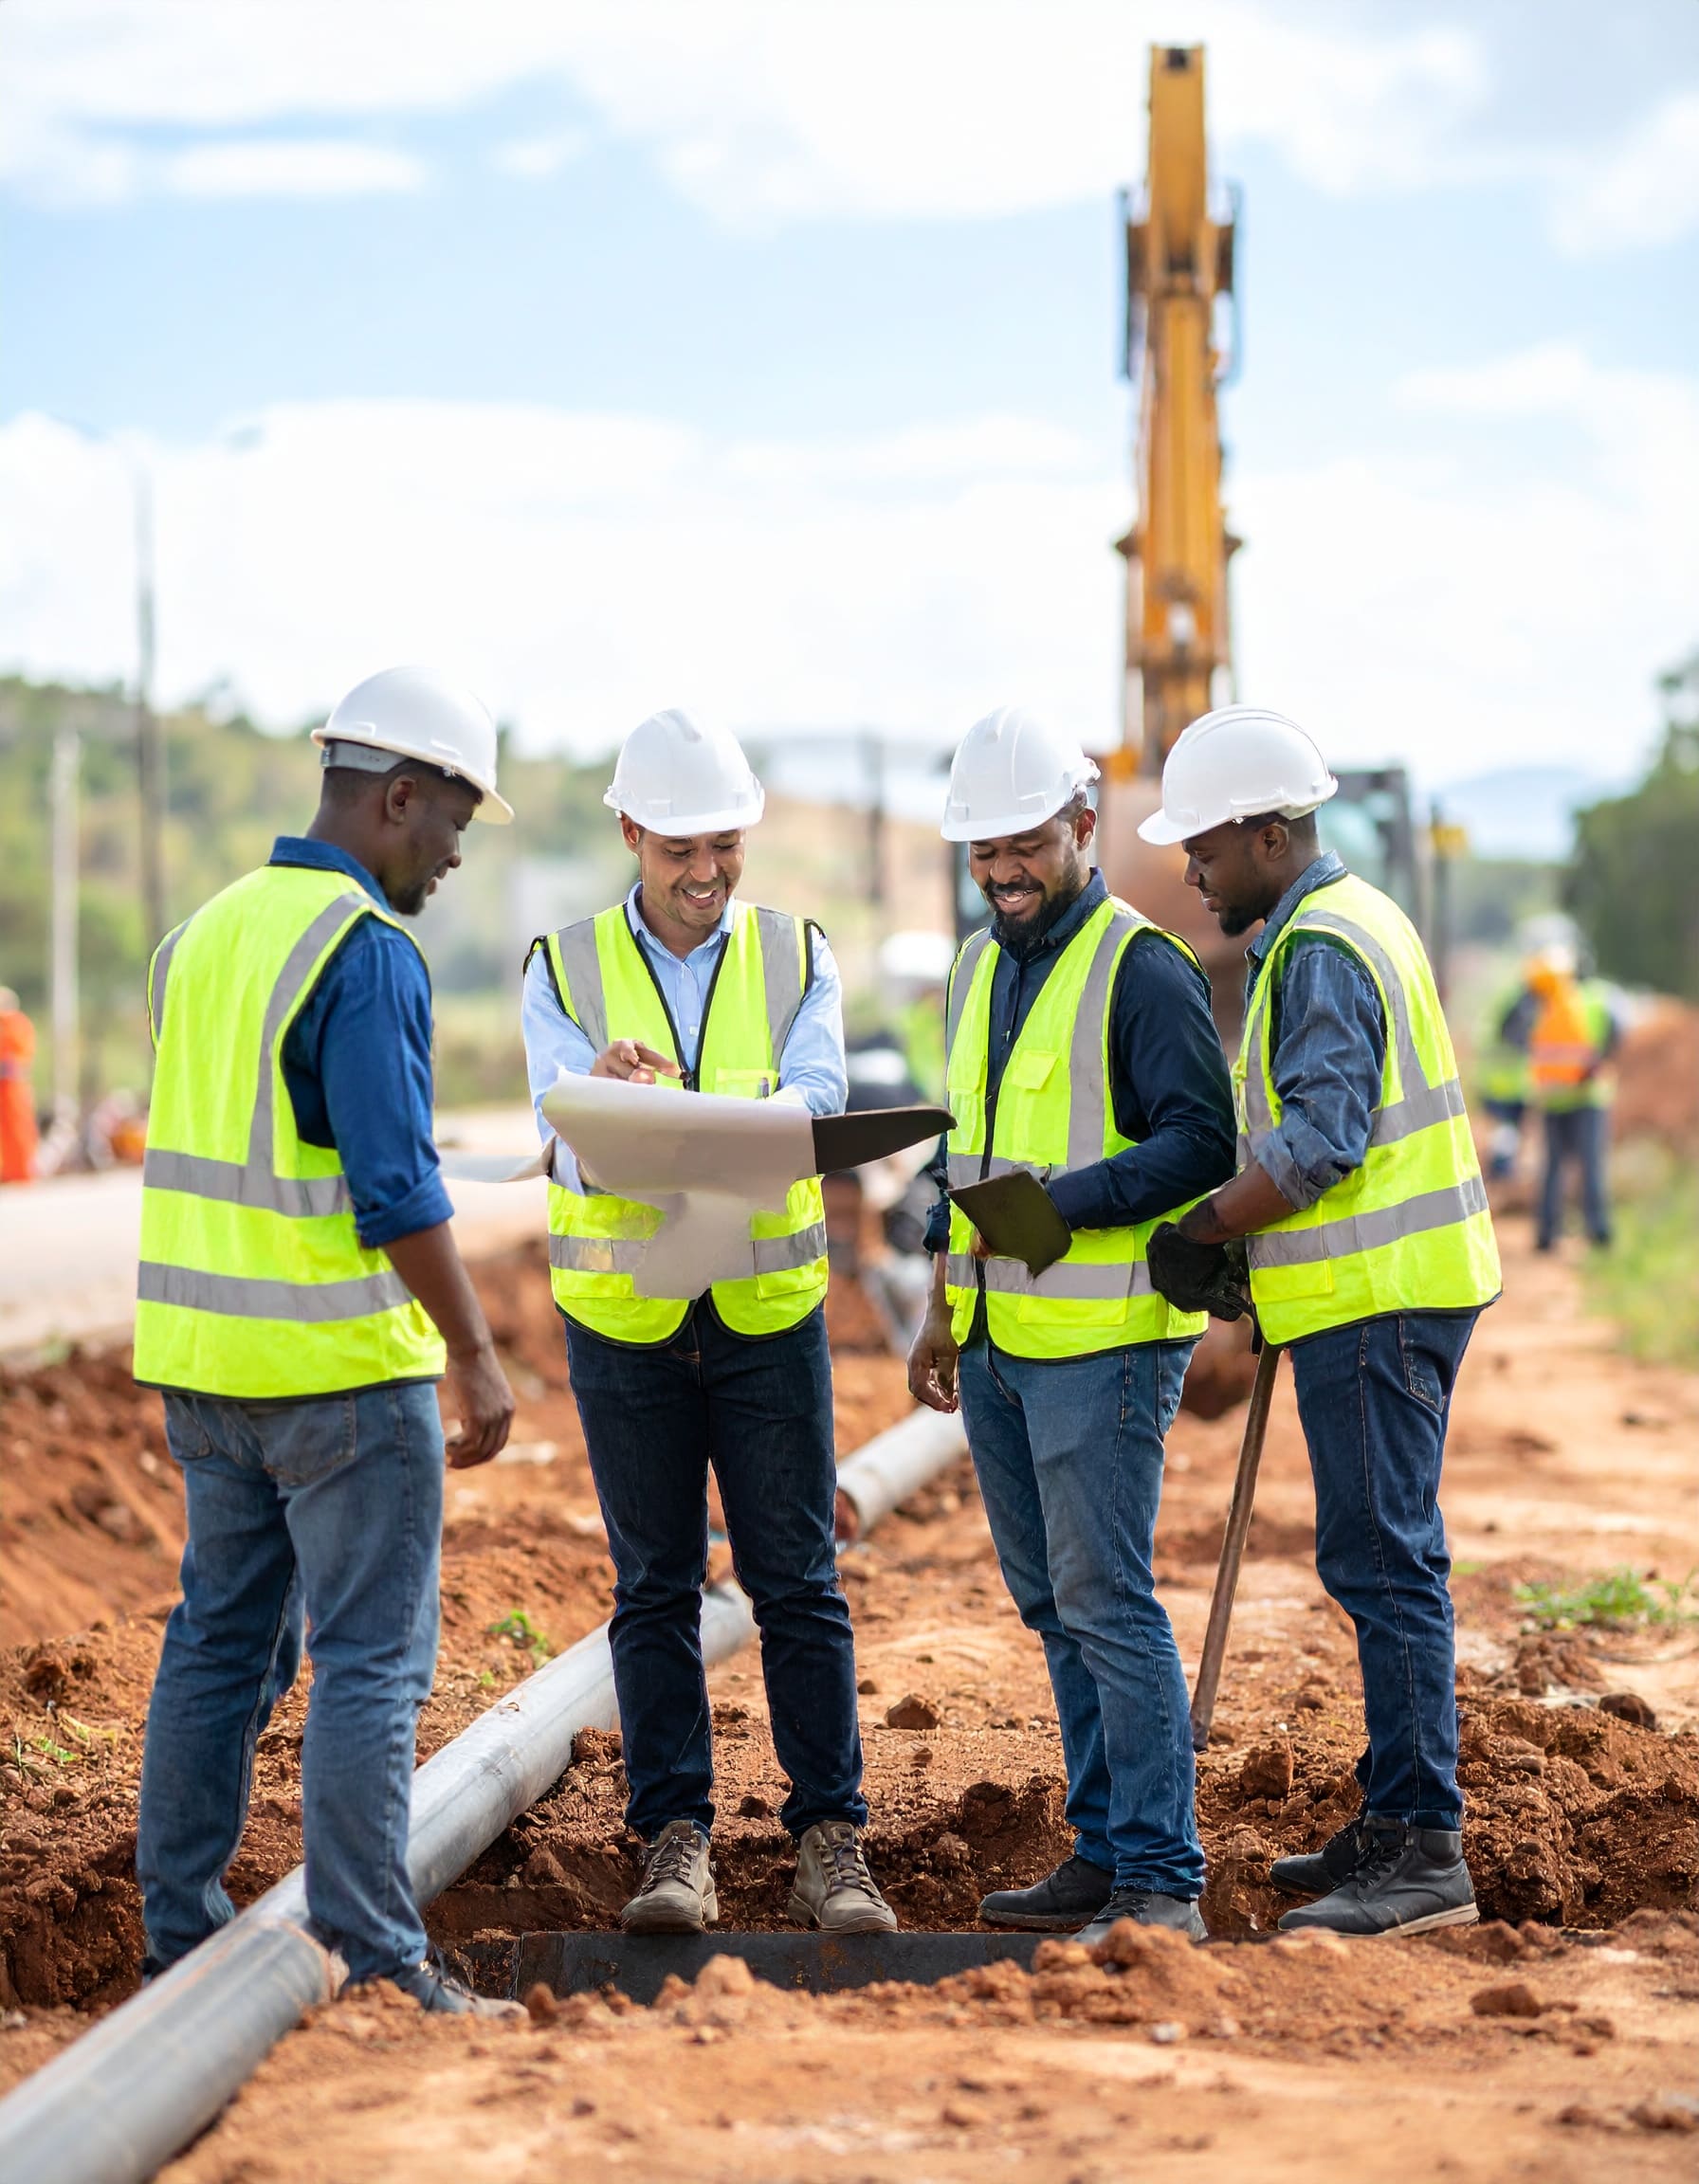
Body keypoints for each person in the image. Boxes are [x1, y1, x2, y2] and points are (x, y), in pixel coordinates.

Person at [133, 665, 521, 2017]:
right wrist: (473, 1352)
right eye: (453, 818)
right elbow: (392, 1187)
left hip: (206, 1369)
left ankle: (178, 1939)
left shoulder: (203, 936)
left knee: (218, 1645)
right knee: (369, 1664)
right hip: (341, 1378)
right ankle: (373, 1956)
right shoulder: (363, 952)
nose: (459, 850)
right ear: (395, 796)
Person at [520, 707, 897, 1937]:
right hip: (627, 1320)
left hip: (761, 1310)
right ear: (630, 830)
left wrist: (712, 1124)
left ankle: (830, 1840)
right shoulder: (562, 969)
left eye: (725, 846)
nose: (705, 873)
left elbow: (820, 1093)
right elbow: (554, 1127)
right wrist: (605, 1101)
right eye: (680, 846)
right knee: (654, 1587)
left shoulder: (798, 955)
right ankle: (674, 1840)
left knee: (797, 1580)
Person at [1138, 705, 1501, 1938]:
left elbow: (1326, 1142)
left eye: (1203, 844)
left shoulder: (1323, 946)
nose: (1189, 868)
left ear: (1265, 831)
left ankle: (1425, 1849)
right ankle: (1395, 1818)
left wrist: (1207, 1227)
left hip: (1380, 1305)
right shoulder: (1339, 922)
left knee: (1385, 1560)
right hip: (1372, 1298)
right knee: (1378, 1556)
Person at [906, 706, 1236, 1945]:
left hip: (1104, 1349)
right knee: (1054, 1604)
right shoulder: (976, 968)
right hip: (998, 1344)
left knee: (1107, 1601)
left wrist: (1065, 1207)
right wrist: (943, 1305)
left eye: (1025, 843)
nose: (1001, 869)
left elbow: (1202, 1146)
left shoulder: (1140, 967)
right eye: (982, 848)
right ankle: (1103, 1857)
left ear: (1083, 828)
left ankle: (1161, 1883)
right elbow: (966, 1155)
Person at [1525, 945, 1619, 1250]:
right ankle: (1597, 1232)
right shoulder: (1592, 1000)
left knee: (1554, 1168)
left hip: (1558, 1099)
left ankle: (1547, 1235)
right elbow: (1615, 1034)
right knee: (1589, 1165)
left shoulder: (1540, 1008)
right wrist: (1600, 1060)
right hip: (1585, 1097)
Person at [0, 987, 39, 1183]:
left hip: (13, 1087)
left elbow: (21, 1057)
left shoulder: (17, 1024)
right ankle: (8, 1170)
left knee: (18, 1129)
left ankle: (22, 1171)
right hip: (5, 1087)